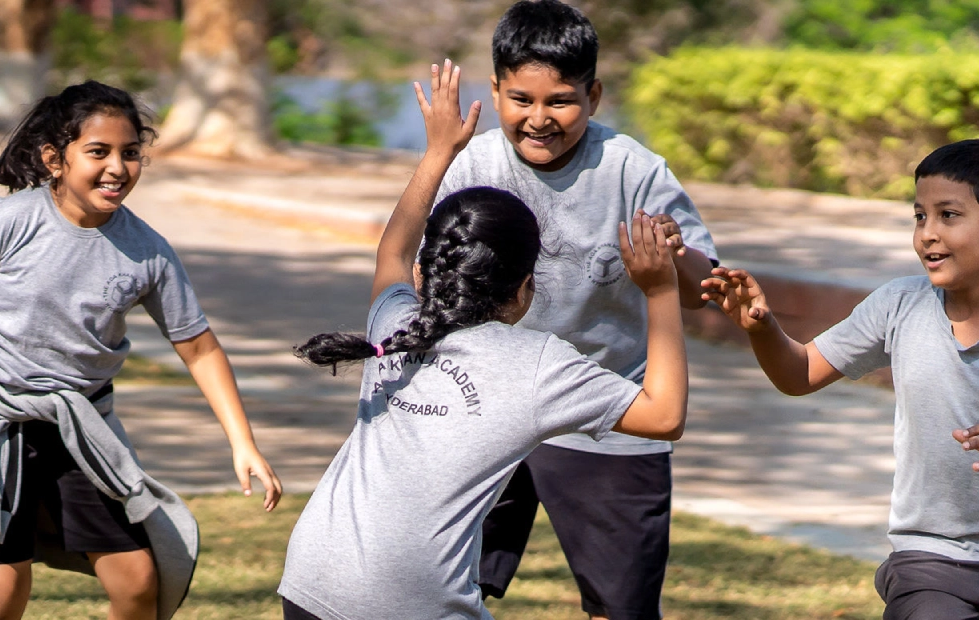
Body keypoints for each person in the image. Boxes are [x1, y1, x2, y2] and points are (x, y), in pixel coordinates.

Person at [0, 80, 282, 620]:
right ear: (55, 159)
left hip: (83, 429)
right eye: (98, 152)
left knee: (138, 580)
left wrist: (243, 443)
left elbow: (198, 346)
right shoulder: (8, 222)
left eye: (130, 153)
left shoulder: (148, 252)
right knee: (2, 591)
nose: (117, 168)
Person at [276, 60, 690, 620]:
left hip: (310, 582)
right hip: (414, 606)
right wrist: (660, 289)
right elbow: (663, 417)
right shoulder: (536, 362)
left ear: (426, 275)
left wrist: (437, 151)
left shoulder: (393, 323)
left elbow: (392, 251)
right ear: (525, 289)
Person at [704, 139, 979, 619]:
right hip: (931, 555)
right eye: (920, 216)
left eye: (949, 215)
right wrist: (763, 328)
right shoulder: (898, 306)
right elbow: (799, 373)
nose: (928, 235)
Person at [444, 2, 719, 617]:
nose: (539, 119)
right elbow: (423, 268)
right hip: (482, 404)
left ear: (593, 94)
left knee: (620, 604)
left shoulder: (636, 172)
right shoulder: (472, 164)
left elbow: (707, 283)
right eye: (521, 100)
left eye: (560, 101)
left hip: (607, 412)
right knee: (443, 585)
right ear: (495, 91)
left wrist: (676, 256)